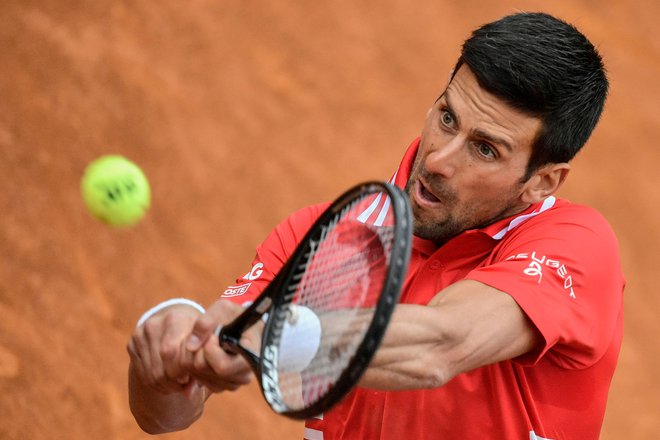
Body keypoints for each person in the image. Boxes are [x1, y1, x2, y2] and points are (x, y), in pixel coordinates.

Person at [126, 12, 624, 440]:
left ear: (542, 182)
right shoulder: (320, 235)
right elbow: (166, 415)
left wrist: (268, 335)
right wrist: (170, 360)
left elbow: (440, 343)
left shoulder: (576, 248)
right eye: (447, 118)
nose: (439, 161)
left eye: (485, 148)